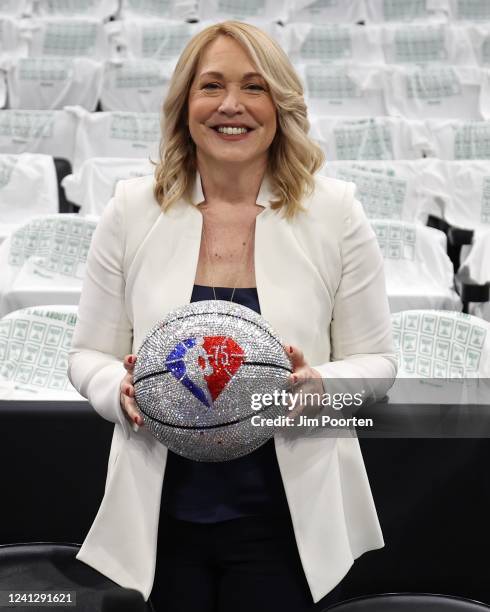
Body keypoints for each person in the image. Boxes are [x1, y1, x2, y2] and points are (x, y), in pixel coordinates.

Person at [68, 21, 397, 612]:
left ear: (280, 105)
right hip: (158, 518)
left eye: (254, 87)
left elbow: (379, 366)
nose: (230, 106)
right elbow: (86, 354)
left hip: (290, 523)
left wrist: (320, 387)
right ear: (184, 105)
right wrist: (117, 389)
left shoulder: (335, 212)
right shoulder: (130, 209)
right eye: (211, 86)